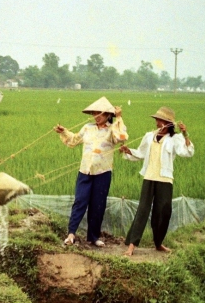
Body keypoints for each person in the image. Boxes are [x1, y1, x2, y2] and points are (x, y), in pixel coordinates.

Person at [119, 106, 194, 256]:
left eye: (161, 120)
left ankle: (158, 243)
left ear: (169, 124)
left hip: (165, 179)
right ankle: (132, 244)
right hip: (149, 177)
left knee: (163, 212)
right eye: (157, 120)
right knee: (143, 210)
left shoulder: (175, 139)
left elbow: (187, 152)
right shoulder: (149, 136)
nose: (158, 123)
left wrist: (185, 134)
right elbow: (140, 153)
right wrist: (128, 151)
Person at [54, 96, 128, 247]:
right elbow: (74, 140)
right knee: (80, 201)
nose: (96, 116)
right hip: (85, 171)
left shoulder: (111, 130)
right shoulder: (87, 128)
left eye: (100, 113)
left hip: (103, 173)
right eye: (94, 113)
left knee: (98, 204)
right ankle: (71, 234)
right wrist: (64, 131)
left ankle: (93, 237)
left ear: (108, 115)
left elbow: (122, 137)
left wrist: (119, 118)